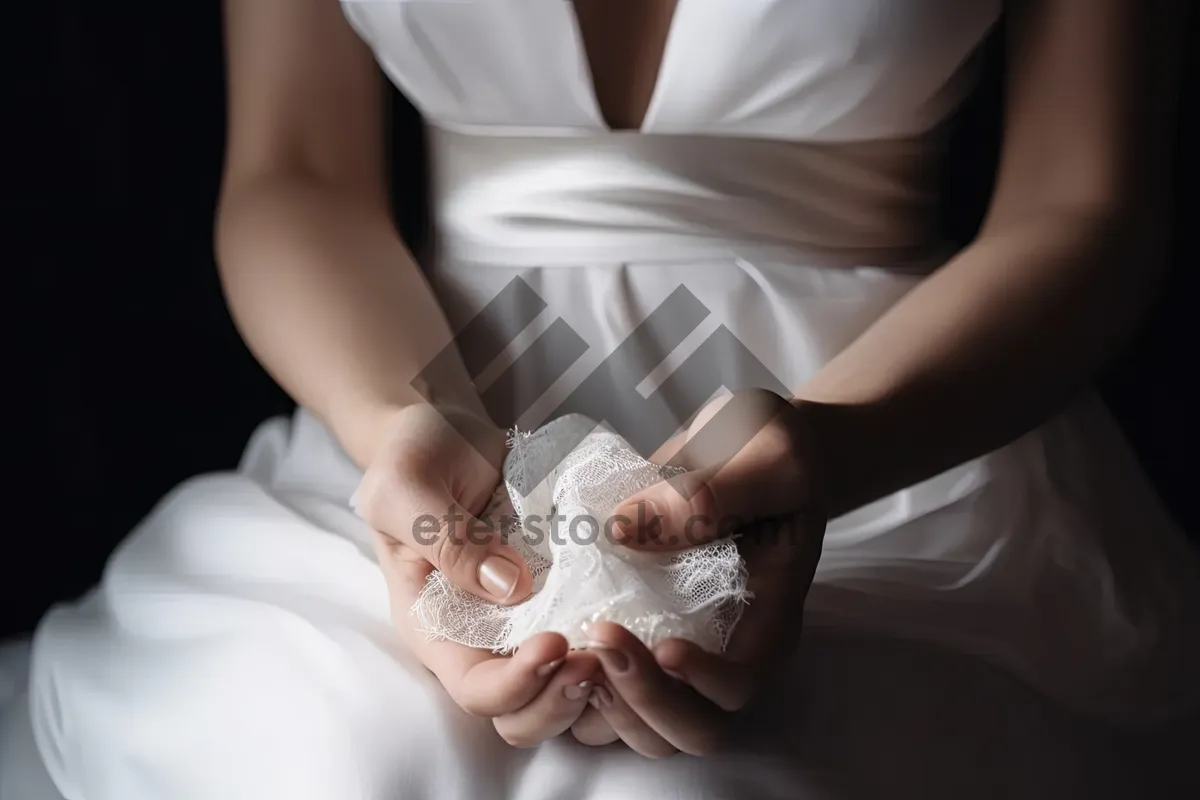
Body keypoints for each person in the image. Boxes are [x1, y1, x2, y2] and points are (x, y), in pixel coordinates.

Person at [22, 0, 1200, 797]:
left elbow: (1084, 208)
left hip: (897, 433)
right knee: (338, 751)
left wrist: (840, 448)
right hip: (414, 397)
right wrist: (394, 425)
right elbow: (296, 174)